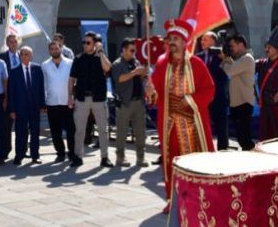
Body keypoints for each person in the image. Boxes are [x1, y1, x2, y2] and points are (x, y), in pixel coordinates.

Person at [145, 19, 215, 208]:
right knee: (172, 161)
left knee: (196, 161)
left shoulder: (196, 64)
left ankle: (200, 199)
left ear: (185, 42)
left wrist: (189, 100)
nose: (172, 42)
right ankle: (173, 199)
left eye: (176, 39)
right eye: (170, 39)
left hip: (192, 124)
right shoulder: (161, 64)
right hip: (170, 124)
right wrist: (151, 92)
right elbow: (156, 93)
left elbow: (209, 90)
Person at [69, 31, 113, 168]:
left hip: (99, 98)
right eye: (84, 42)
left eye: (88, 42)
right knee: (79, 130)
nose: (85, 45)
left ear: (95, 44)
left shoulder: (101, 57)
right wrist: (69, 96)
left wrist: (101, 52)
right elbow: (72, 79)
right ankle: (77, 156)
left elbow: (108, 68)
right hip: (82, 98)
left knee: (103, 130)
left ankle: (105, 157)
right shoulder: (78, 58)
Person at [109, 38, 148, 167]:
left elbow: (140, 78)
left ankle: (140, 158)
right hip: (125, 103)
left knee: (140, 132)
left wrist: (142, 73)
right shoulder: (117, 64)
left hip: (138, 102)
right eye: (131, 50)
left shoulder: (135, 61)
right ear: (124, 50)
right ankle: (120, 158)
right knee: (122, 132)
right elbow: (119, 79)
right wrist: (134, 72)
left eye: (134, 50)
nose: (133, 53)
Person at [8, 46, 45, 165]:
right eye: (22, 54)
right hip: (20, 108)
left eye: (26, 54)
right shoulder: (14, 71)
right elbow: (11, 92)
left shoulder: (37, 69)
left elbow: (41, 88)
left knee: (35, 132)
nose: (24, 56)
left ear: (31, 56)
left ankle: (35, 155)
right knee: (20, 132)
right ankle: (19, 155)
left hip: (34, 107)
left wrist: (42, 105)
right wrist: (12, 109)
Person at [219, 34, 256, 150]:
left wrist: (225, 59)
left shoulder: (247, 58)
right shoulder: (238, 59)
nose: (231, 49)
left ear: (241, 45)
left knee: (244, 137)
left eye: (232, 46)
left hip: (244, 102)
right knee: (241, 136)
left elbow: (230, 71)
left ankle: (253, 156)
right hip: (237, 102)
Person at [195, 32, 230, 150]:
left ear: (213, 42)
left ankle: (223, 150)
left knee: (221, 126)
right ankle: (203, 149)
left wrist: (224, 57)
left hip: (218, 96)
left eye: (205, 39)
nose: (202, 41)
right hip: (202, 97)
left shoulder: (222, 56)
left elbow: (231, 70)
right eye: (201, 39)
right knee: (201, 125)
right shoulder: (197, 57)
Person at [42, 41, 75, 163]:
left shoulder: (70, 63)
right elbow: (44, 84)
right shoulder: (45, 65)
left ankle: (72, 153)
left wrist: (73, 97)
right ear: (49, 51)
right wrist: (44, 101)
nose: (55, 50)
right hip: (52, 102)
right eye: (52, 49)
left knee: (71, 130)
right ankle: (60, 153)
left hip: (68, 102)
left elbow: (74, 81)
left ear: (60, 48)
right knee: (55, 131)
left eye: (56, 48)